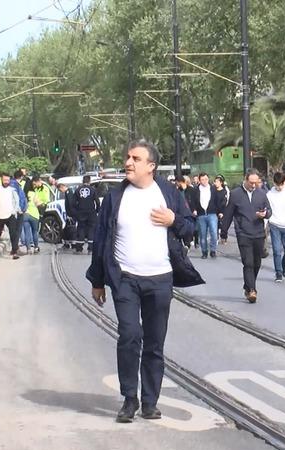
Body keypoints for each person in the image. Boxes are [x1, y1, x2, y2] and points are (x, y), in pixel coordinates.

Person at [86, 140, 203, 423]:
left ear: (151, 166)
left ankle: (150, 402)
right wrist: (98, 280)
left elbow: (190, 227)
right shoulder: (115, 197)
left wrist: (174, 219)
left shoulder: (168, 193)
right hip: (125, 278)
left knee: (154, 342)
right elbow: (101, 239)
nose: (128, 162)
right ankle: (129, 399)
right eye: (128, 157)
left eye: (135, 159)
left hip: (160, 279)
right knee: (129, 335)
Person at [220, 169, 272, 303]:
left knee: (257, 263)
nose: (253, 185)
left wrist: (265, 214)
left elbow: (269, 210)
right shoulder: (235, 194)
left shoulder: (261, 194)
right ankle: (252, 290)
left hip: (258, 233)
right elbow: (228, 214)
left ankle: (248, 285)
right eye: (251, 182)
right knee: (248, 262)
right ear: (245, 179)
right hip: (243, 233)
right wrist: (224, 232)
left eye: (256, 182)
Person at [0, 173, 22, 260]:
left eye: (8, 180)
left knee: (13, 233)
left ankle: (14, 251)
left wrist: (15, 210)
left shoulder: (12, 190)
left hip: (10, 214)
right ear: (1, 180)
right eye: (4, 180)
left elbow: (17, 201)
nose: (6, 182)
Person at [195, 172, 226, 259]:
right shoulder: (196, 190)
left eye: (206, 179)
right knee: (203, 235)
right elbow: (194, 201)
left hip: (212, 213)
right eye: (202, 179)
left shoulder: (213, 189)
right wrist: (194, 210)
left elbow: (217, 201)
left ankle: (213, 250)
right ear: (199, 180)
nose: (204, 181)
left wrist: (220, 211)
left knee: (214, 233)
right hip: (201, 214)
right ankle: (204, 252)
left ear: (208, 179)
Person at [73, 175, 99, 253]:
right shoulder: (93, 190)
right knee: (91, 229)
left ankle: (79, 248)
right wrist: (97, 210)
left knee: (81, 228)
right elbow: (97, 201)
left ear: (83, 181)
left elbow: (73, 203)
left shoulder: (78, 190)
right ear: (89, 181)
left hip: (81, 212)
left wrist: (76, 211)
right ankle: (90, 249)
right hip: (91, 212)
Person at [214, 175, 230, 244]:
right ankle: (216, 238)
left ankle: (224, 237)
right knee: (215, 225)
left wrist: (222, 212)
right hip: (214, 210)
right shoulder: (213, 191)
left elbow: (225, 202)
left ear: (221, 183)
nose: (216, 183)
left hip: (223, 211)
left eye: (217, 182)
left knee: (223, 225)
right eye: (215, 182)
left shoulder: (224, 191)